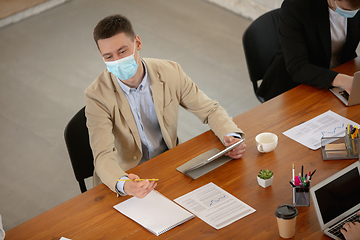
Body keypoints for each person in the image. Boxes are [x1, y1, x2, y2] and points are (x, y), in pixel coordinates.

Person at [85, 14, 246, 198]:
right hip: (128, 176)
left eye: (122, 51)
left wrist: (231, 136)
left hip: (169, 164)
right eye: (108, 56)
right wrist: (125, 185)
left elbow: (209, 110)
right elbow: (103, 155)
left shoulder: (170, 72)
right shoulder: (96, 95)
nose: (117, 61)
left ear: (137, 43)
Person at [257, 0, 360, 102]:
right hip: (296, 85)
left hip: (339, 75)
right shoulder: (296, 6)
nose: (353, 13)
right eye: (346, 9)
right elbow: (298, 67)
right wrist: (342, 80)